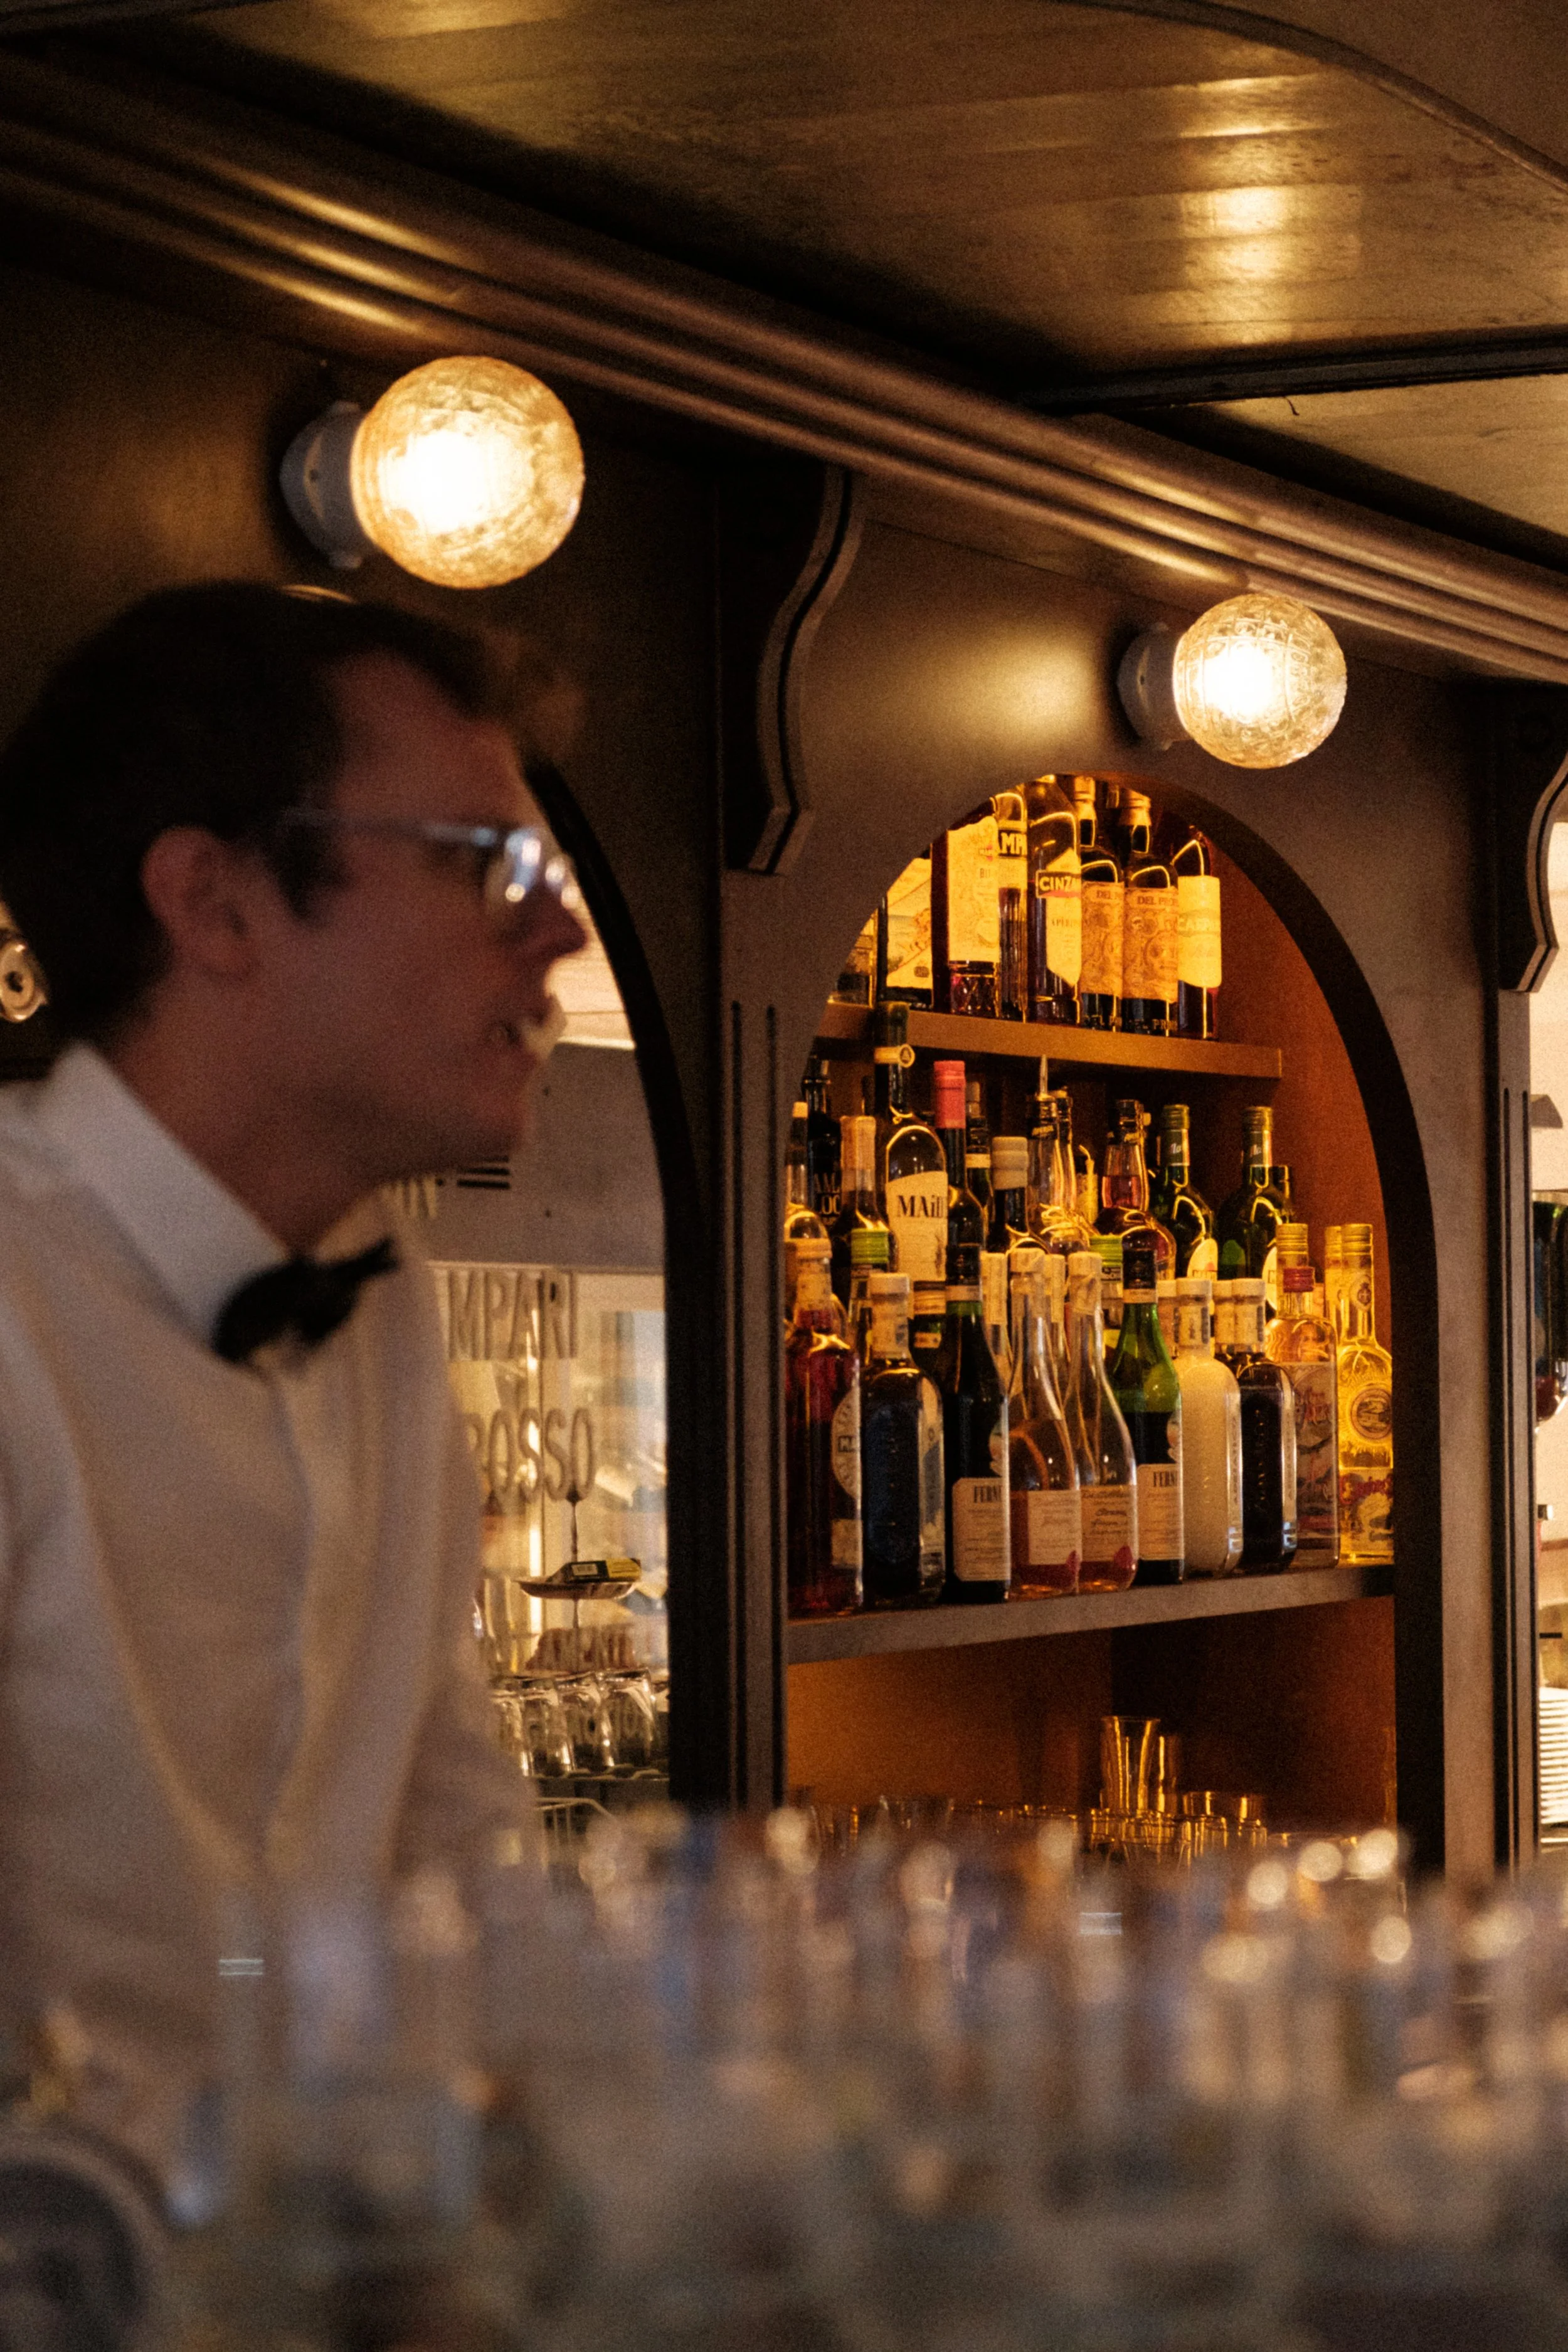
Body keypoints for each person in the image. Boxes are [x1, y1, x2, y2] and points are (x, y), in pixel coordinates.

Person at [0, 581, 588, 2177]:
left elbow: (456, 1848)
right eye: (494, 868)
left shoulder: (377, 1293)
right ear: (219, 905)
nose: (563, 930)